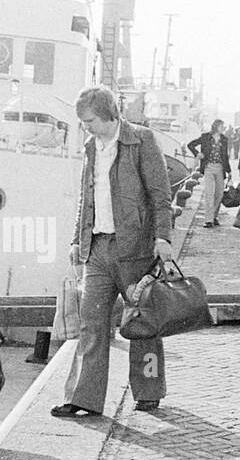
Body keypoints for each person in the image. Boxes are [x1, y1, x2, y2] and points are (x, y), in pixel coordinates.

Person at [52, 86, 173, 418]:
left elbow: (160, 194)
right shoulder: (92, 147)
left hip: (134, 247)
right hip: (98, 248)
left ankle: (149, 392)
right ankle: (83, 399)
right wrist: (77, 241)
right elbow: (85, 198)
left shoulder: (142, 141)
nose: (85, 127)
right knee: (91, 323)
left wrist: (163, 237)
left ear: (106, 114)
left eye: (89, 120)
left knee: (143, 322)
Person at [186, 119, 229, 229]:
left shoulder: (224, 139)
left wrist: (229, 171)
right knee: (209, 194)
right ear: (215, 126)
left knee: (219, 194)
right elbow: (190, 145)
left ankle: (214, 216)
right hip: (208, 167)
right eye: (221, 126)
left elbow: (225, 156)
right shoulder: (205, 137)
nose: (223, 128)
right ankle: (208, 220)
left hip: (220, 168)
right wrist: (197, 153)